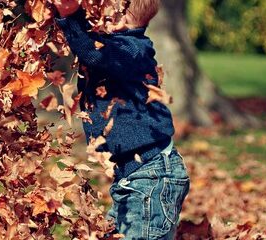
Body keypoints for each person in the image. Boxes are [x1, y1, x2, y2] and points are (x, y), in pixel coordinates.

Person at [51, 0, 190, 239]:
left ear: (120, 18)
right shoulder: (117, 46)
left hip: (150, 178)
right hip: (134, 177)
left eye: (102, 8)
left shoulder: (131, 50)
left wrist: (69, 15)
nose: (96, 13)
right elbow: (91, 42)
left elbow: (93, 54)